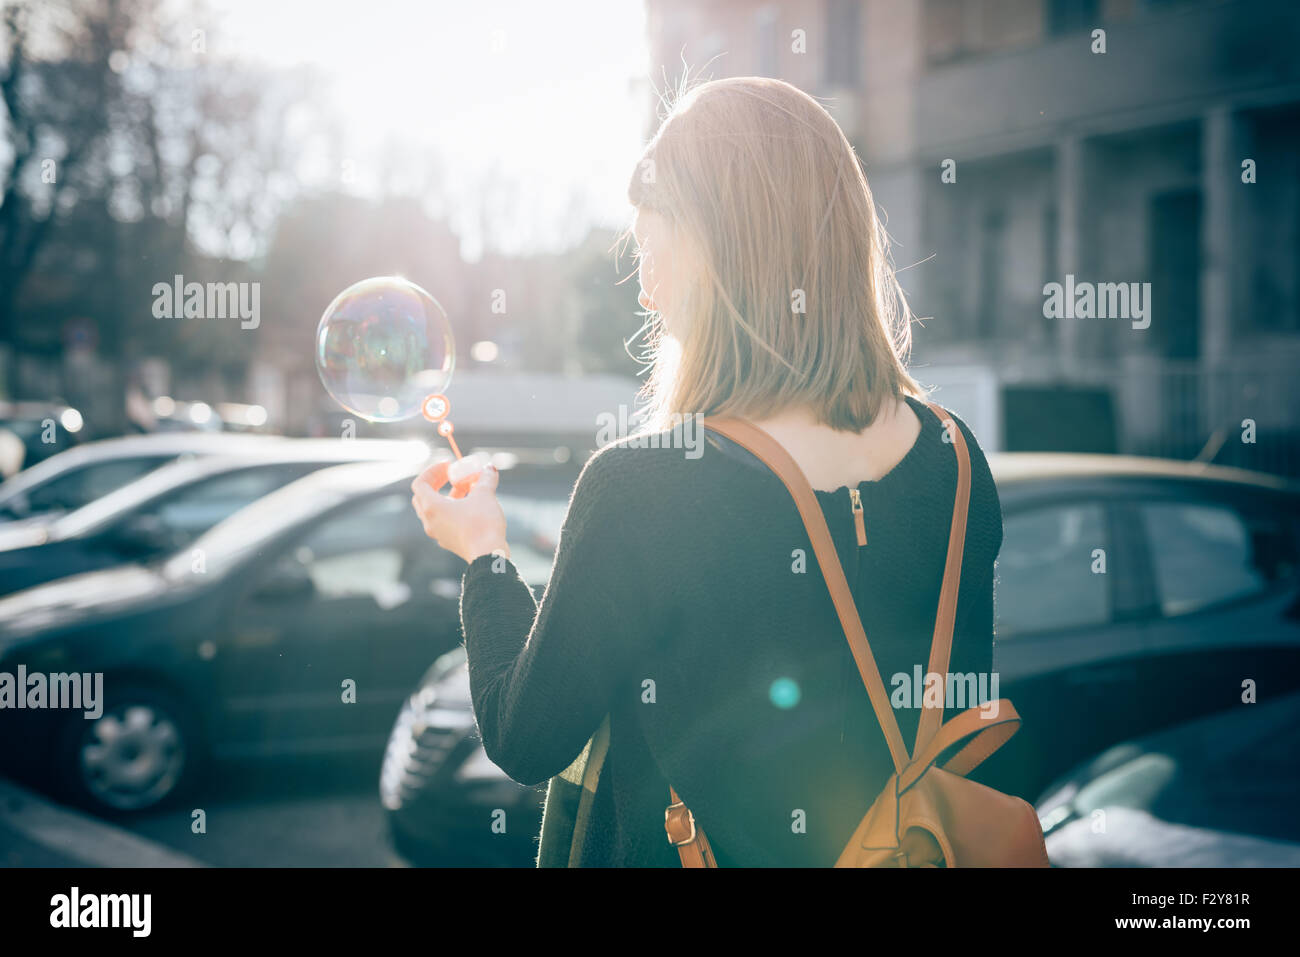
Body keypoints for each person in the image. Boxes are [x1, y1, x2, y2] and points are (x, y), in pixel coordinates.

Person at [410, 75, 1003, 867]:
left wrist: (485, 556)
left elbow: (527, 735)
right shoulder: (955, 459)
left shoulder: (645, 489)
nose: (646, 289)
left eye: (653, 246)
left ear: (716, 253)